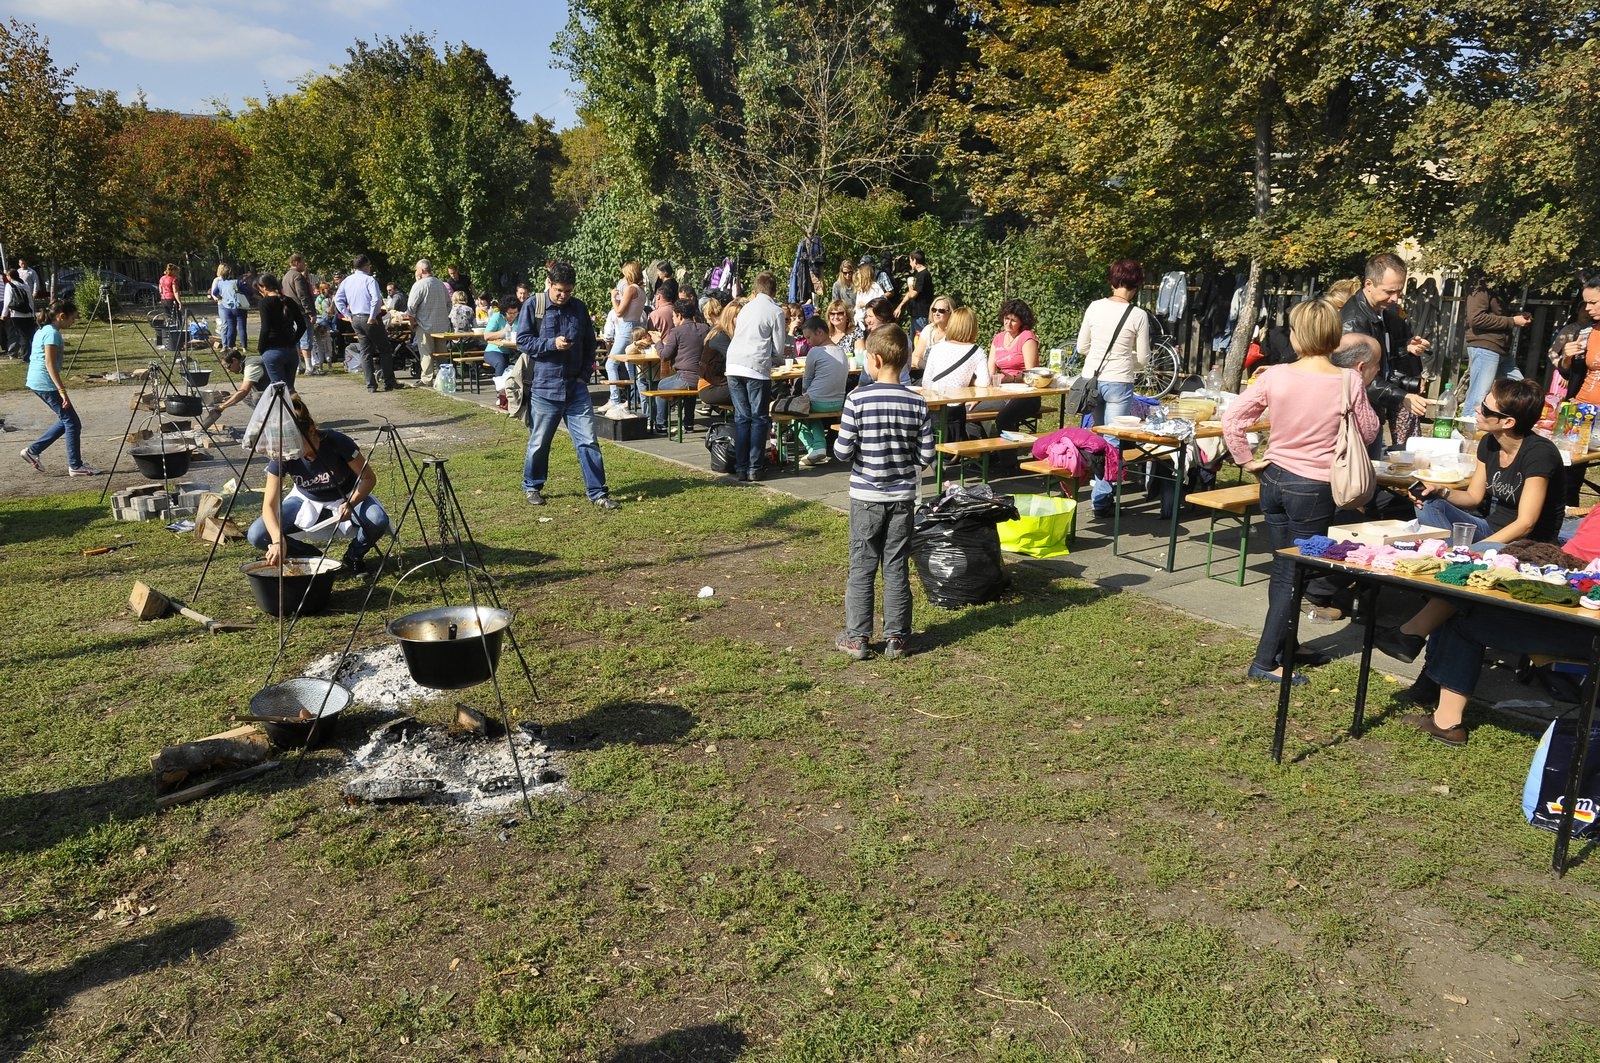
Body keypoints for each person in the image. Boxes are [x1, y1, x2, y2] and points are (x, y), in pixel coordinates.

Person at [1222, 297, 1379, 684]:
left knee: (1284, 570)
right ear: (1333, 335)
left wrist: (1245, 459)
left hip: (1273, 479)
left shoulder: (1274, 375)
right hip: (1313, 488)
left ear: (1296, 336)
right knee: (1291, 575)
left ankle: (1284, 646)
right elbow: (1371, 431)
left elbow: (1233, 419)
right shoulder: (1349, 380)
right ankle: (1264, 660)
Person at [1374, 378, 1566, 664]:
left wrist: (1477, 551)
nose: (1477, 410)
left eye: (1486, 409)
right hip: (1491, 529)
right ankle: (1451, 566)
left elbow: (1526, 523)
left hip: (1527, 544)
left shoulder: (1539, 454)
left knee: (1470, 561)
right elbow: (1474, 498)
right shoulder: (1489, 443)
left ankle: (1418, 623)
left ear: (1508, 421)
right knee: (1430, 501)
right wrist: (1441, 491)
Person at [833, 324, 934, 661]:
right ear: (905, 359)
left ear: (874, 360)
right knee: (896, 566)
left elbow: (843, 451)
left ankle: (857, 637)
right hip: (902, 497)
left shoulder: (857, 399)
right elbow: (927, 456)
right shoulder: (916, 402)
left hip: (865, 496)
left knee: (861, 566)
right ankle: (897, 638)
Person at [247, 392, 390, 576]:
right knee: (257, 534)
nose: (294, 452)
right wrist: (277, 540)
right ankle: (312, 556)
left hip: (347, 496)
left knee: (377, 520)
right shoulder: (285, 451)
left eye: (299, 445)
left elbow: (369, 478)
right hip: (306, 499)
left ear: (312, 431)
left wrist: (352, 502)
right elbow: (269, 505)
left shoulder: (337, 442)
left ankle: (354, 555)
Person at [514, 261, 619, 510]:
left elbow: (589, 346)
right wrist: (551, 344)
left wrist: (584, 375)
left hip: (575, 388)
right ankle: (532, 485)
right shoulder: (534, 305)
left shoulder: (579, 308)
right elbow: (523, 341)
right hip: (544, 388)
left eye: (568, 291)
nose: (563, 296)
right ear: (549, 283)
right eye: (560, 290)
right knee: (539, 442)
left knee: (588, 442)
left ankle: (597, 492)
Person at [1075, 263, 1151, 515]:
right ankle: (1102, 498)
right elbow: (1143, 357)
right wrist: (1126, 356)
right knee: (1112, 439)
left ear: (1112, 281)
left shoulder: (1094, 307)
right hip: (1120, 380)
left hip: (1092, 380)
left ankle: (1096, 488)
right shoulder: (1138, 315)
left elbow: (1082, 347)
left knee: (1096, 436)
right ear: (1137, 285)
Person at [1341, 252, 1431, 444]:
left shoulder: (1382, 312)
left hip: (1373, 410)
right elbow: (1358, 378)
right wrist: (1401, 396)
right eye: (1389, 291)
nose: (1395, 298)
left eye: (1399, 291)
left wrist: (1406, 349)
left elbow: (1382, 359)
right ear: (1368, 284)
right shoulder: (1353, 324)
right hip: (1355, 417)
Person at [20, 300, 99, 476]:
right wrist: (62, 391)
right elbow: (50, 364)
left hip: (38, 382)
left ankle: (33, 451)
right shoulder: (52, 334)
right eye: (73, 318)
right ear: (61, 316)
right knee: (72, 423)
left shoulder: (44, 330)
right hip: (45, 383)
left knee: (67, 421)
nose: (74, 322)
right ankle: (75, 466)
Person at [726, 273, 786, 482]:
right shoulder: (776, 311)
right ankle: (755, 467)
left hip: (733, 364)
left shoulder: (745, 308)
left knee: (742, 418)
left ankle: (742, 467)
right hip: (756, 367)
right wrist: (777, 360)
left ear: (755, 290)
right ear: (774, 292)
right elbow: (778, 348)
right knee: (759, 418)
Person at [1461, 273, 1533, 421]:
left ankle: (1508, 427)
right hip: (1485, 347)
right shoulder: (1480, 281)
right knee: (1478, 397)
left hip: (1501, 349)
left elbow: (1497, 315)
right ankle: (1465, 435)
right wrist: (1512, 320)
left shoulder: (1501, 282)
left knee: (1522, 388)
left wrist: (1517, 316)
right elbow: (1476, 319)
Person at [921, 306, 990, 440]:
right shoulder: (976, 351)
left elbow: (926, 381)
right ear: (972, 327)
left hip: (933, 406)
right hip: (955, 410)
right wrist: (970, 380)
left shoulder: (936, 348)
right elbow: (984, 382)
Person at [335, 255, 394, 392]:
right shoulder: (369, 280)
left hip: (356, 317)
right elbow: (376, 299)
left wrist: (347, 314)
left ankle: (371, 385)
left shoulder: (347, 281)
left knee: (365, 352)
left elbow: (338, 299)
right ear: (366, 266)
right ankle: (389, 382)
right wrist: (373, 316)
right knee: (384, 349)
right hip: (369, 317)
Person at [795, 315, 848, 467]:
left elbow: (807, 379)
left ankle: (815, 447)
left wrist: (805, 395)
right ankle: (818, 447)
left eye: (809, 337)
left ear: (820, 332)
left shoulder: (815, 352)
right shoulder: (841, 351)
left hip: (818, 402)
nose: (808, 342)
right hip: (838, 402)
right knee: (810, 414)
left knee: (795, 414)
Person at [655, 297, 709, 432]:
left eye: (673, 316)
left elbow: (664, 356)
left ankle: (661, 423)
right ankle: (688, 423)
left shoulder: (676, 332)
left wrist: (658, 342)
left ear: (679, 315)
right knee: (689, 391)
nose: (673, 319)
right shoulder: (705, 329)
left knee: (661, 385)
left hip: (685, 377)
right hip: (703, 378)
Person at [600, 261, 646, 417]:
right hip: (636, 326)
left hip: (626, 328)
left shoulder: (631, 289)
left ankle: (614, 398)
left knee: (611, 363)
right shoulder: (641, 290)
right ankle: (637, 400)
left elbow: (619, 312)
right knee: (631, 366)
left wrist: (613, 298)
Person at [253, 273, 308, 390]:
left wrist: (261, 348)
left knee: (279, 391)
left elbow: (265, 328)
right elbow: (302, 326)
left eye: (259, 289)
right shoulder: (289, 301)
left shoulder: (265, 302)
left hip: (273, 350)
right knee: (290, 389)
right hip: (291, 351)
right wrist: (293, 341)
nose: (260, 293)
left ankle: (288, 408)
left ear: (264, 287)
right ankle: (298, 408)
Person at [406, 259, 452, 387]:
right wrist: (443, 315)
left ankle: (427, 378)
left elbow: (411, 307)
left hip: (424, 325)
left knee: (426, 353)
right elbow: (449, 304)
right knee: (442, 353)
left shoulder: (419, 285)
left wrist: (412, 322)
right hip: (442, 325)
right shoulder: (441, 284)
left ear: (421, 270)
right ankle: (444, 377)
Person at [1555, 279, 1600, 407]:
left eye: (1593, 303)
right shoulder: (1586, 332)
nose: (1587, 308)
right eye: (1586, 303)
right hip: (1581, 409)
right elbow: (1568, 374)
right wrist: (1567, 358)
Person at [699, 300, 739, 409]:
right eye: (737, 317)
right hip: (710, 386)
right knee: (751, 390)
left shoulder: (725, 334)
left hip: (720, 382)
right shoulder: (720, 335)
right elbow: (736, 358)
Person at [482, 295, 520, 410]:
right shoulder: (497, 317)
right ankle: (500, 394)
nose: (513, 316)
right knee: (501, 363)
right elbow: (486, 336)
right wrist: (504, 331)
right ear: (504, 312)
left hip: (512, 350)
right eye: (510, 313)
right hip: (493, 350)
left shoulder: (520, 318)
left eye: (515, 313)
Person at [282, 253, 317, 375]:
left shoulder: (286, 276)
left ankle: (298, 366)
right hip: (301, 312)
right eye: (303, 262)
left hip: (290, 312)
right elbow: (302, 295)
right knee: (305, 339)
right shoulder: (297, 276)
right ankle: (309, 367)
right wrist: (310, 312)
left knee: (295, 339)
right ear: (296, 262)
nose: (304, 264)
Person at [896, 250, 934, 338]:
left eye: (910, 261)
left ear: (915, 261)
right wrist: (900, 306)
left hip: (921, 314)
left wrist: (909, 285)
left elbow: (913, 294)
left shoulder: (924, 275)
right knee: (914, 341)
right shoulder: (918, 274)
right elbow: (909, 294)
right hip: (916, 314)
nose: (910, 263)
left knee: (920, 340)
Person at [910, 297, 953, 373]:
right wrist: (927, 367)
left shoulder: (955, 333)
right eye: (934, 310)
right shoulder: (929, 330)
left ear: (950, 312)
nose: (936, 313)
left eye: (941, 311)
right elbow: (914, 357)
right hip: (927, 374)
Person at [209, 264, 248, 348]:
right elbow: (214, 293)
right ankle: (225, 344)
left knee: (231, 326)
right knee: (225, 324)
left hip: (229, 304)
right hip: (224, 304)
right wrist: (219, 298)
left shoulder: (226, 282)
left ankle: (230, 344)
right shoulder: (218, 281)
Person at [2, 267, 36, 358]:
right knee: (30, 335)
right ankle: (32, 354)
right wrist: (32, 313)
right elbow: (30, 300)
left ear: (9, 276)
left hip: (17, 314)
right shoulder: (25, 285)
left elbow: (7, 301)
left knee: (22, 335)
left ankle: (26, 356)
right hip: (28, 313)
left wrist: (3, 314)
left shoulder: (10, 285)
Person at [851, 261, 885, 328]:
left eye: (859, 274)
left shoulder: (875, 288)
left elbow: (880, 304)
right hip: (859, 323)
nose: (858, 276)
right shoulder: (860, 289)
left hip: (871, 324)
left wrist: (865, 304)